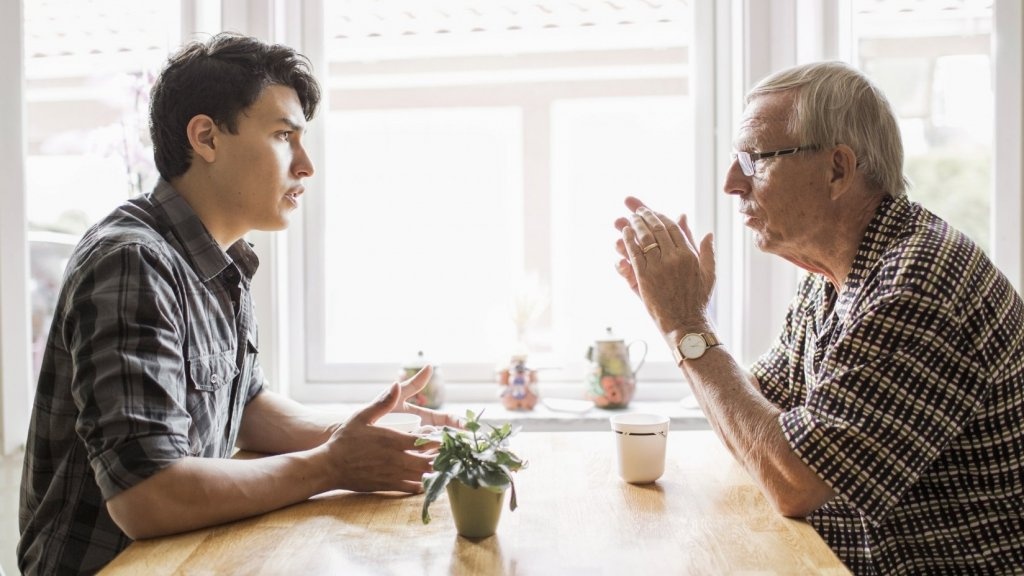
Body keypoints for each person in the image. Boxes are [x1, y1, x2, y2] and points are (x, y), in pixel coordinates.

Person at [18, 32, 460, 575]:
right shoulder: (131, 261)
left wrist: (361, 436)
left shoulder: (217, 258)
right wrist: (331, 465)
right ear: (205, 137)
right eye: (283, 136)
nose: (306, 166)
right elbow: (146, 495)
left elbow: (244, 406)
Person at [614, 61, 1024, 574]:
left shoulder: (919, 283)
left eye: (755, 158)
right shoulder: (832, 276)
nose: (732, 182)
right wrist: (681, 317)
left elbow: (793, 480)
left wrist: (686, 326)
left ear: (837, 170)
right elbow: (759, 419)